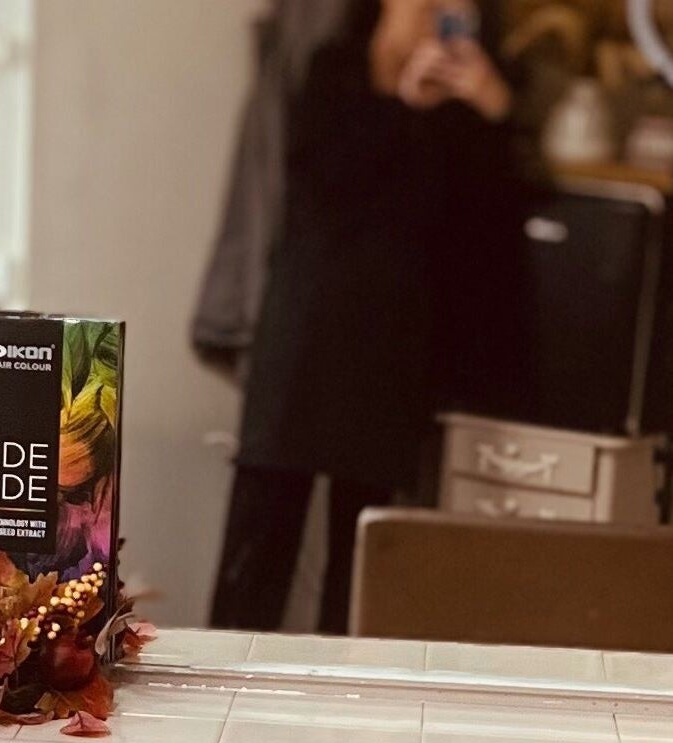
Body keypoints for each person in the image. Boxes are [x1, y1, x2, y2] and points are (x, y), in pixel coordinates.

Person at [206, 0, 528, 633]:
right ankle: (224, 684)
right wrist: (400, 105)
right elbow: (324, 193)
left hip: (395, 346)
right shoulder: (333, 70)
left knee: (365, 556)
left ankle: (345, 706)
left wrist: (494, 112)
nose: (437, 16)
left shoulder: (466, 105)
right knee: (261, 535)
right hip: (306, 334)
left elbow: (488, 229)